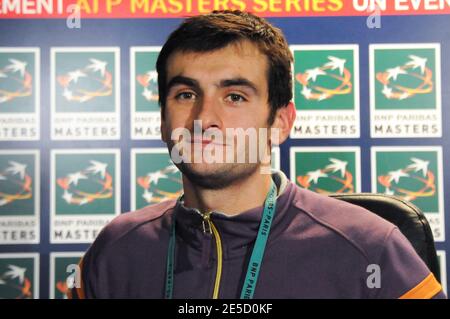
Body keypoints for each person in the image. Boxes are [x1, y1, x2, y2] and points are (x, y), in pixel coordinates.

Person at [69, 10, 445, 299]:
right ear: (164, 120)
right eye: (185, 94)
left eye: (234, 96)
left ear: (280, 121)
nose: (204, 119)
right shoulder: (115, 250)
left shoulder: (369, 248)